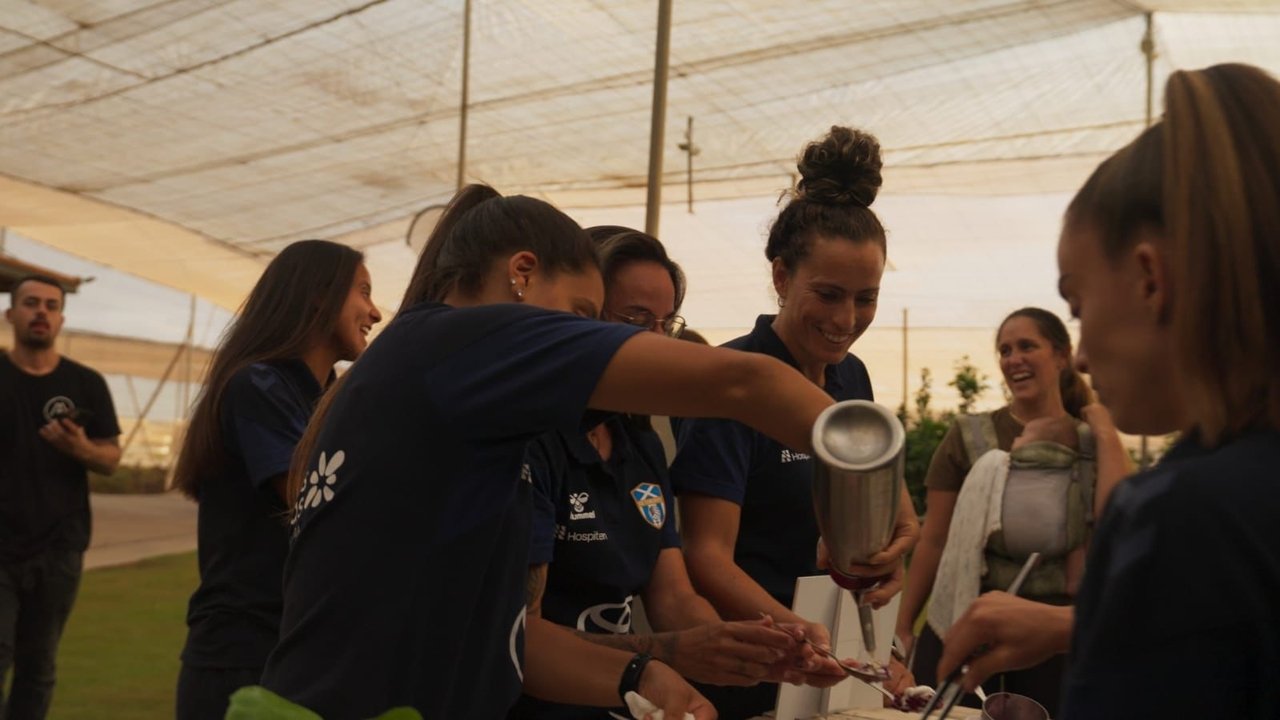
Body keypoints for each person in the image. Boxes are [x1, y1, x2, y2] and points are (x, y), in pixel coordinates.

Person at [260, 184, 849, 720]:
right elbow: (743, 383)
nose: (602, 344)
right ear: (521, 273)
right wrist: (867, 466)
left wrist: (644, 676)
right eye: (583, 320)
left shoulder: (468, 405)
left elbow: (506, 638)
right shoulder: (459, 343)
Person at [937, 63, 1280, 719]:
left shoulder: (1183, 515)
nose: (1085, 356)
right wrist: (1083, 625)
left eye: (1077, 303)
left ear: (1152, 279)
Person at [670, 126, 920, 719]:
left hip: (836, 663)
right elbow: (706, 556)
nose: (846, 318)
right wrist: (803, 634)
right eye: (828, 294)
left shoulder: (852, 379)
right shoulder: (732, 383)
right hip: (753, 669)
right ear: (781, 277)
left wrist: (891, 562)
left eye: (866, 298)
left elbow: (880, 515)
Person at [511, 227, 810, 720]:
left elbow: (672, 593)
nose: (654, 341)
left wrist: (740, 646)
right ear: (581, 312)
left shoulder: (640, 443)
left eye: (665, 323)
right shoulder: (533, 442)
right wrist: (667, 653)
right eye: (634, 318)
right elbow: (521, 633)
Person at [173, 240, 382, 719]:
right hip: (244, 657)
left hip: (301, 649)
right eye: (364, 292)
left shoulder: (325, 397)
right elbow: (313, 498)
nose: (374, 312)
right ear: (318, 294)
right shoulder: (261, 385)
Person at [894, 307, 1126, 713]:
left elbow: (1115, 527)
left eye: (1026, 346)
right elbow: (935, 538)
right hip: (967, 616)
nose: (1012, 358)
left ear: (1061, 355)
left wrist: (1106, 432)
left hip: (1051, 632)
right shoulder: (970, 436)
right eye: (1004, 350)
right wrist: (903, 625)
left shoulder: (1092, 441)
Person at [0, 275, 121, 720]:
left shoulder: (85, 383)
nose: (41, 312)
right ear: (10, 314)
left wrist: (80, 448)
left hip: (59, 550)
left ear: (61, 319)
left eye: (51, 305)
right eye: (31, 303)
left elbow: (110, 459)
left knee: (39, 668)